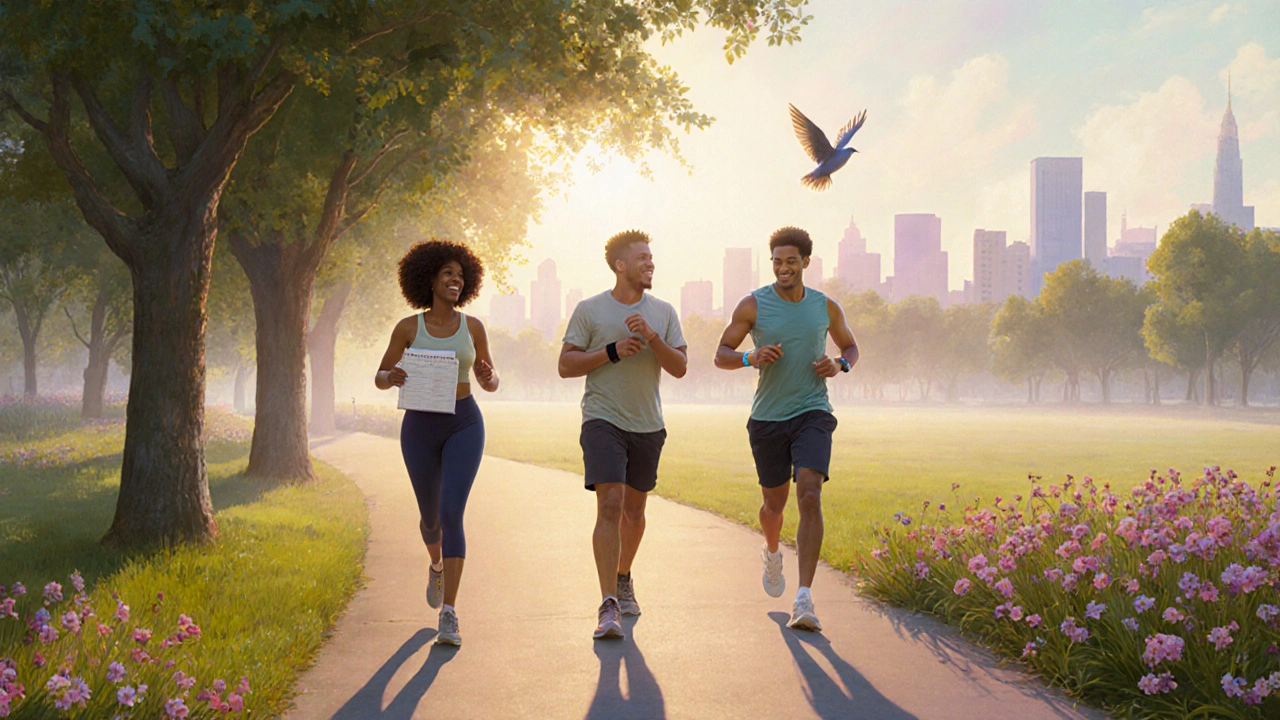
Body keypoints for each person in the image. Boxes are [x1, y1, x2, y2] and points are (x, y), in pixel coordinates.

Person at [714, 226, 858, 632]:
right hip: (768, 419)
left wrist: (840, 365)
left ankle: (805, 597)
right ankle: (772, 551)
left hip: (813, 411)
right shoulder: (753, 305)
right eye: (777, 261)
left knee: (810, 494)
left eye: (791, 261)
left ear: (806, 262)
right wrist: (750, 357)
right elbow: (720, 354)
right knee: (773, 507)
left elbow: (850, 347)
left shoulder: (825, 306)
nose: (783, 268)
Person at [559, 230, 687, 640]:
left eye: (652, 257)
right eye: (641, 258)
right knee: (610, 505)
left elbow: (680, 367)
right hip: (602, 418)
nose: (650, 263)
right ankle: (608, 603)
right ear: (620, 265)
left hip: (647, 423)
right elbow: (566, 365)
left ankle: (623, 576)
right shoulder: (590, 310)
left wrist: (651, 337)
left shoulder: (664, 312)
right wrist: (612, 350)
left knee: (634, 511)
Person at [375, 239, 499, 647]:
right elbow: (380, 374)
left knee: (451, 513)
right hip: (419, 428)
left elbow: (492, 379)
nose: (455, 281)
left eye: (461, 277)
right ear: (429, 279)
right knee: (430, 519)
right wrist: (390, 377)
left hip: (464, 423)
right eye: (448, 274)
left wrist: (486, 377)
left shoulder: (473, 327)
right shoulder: (408, 327)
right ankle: (436, 564)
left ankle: (449, 613)